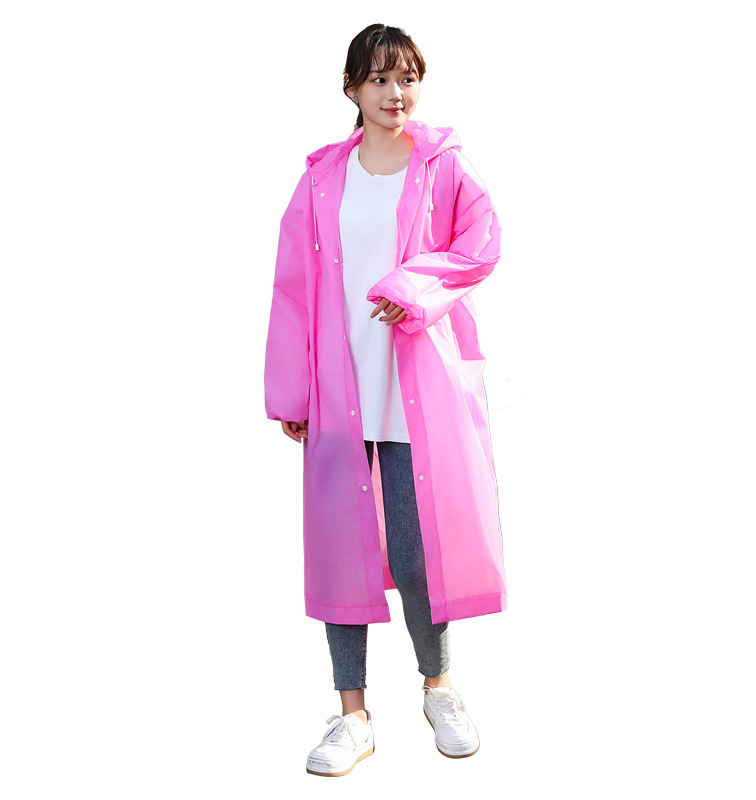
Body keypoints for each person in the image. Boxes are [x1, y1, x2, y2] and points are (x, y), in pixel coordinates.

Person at [263, 23, 507, 777]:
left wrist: (413, 288)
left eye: (407, 78)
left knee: (417, 547)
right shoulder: (321, 178)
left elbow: (480, 245)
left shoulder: (442, 164)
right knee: (341, 549)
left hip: (415, 388)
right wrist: (292, 389)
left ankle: (439, 687)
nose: (395, 93)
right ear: (352, 89)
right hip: (341, 389)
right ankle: (352, 714)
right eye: (379, 79)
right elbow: (293, 289)